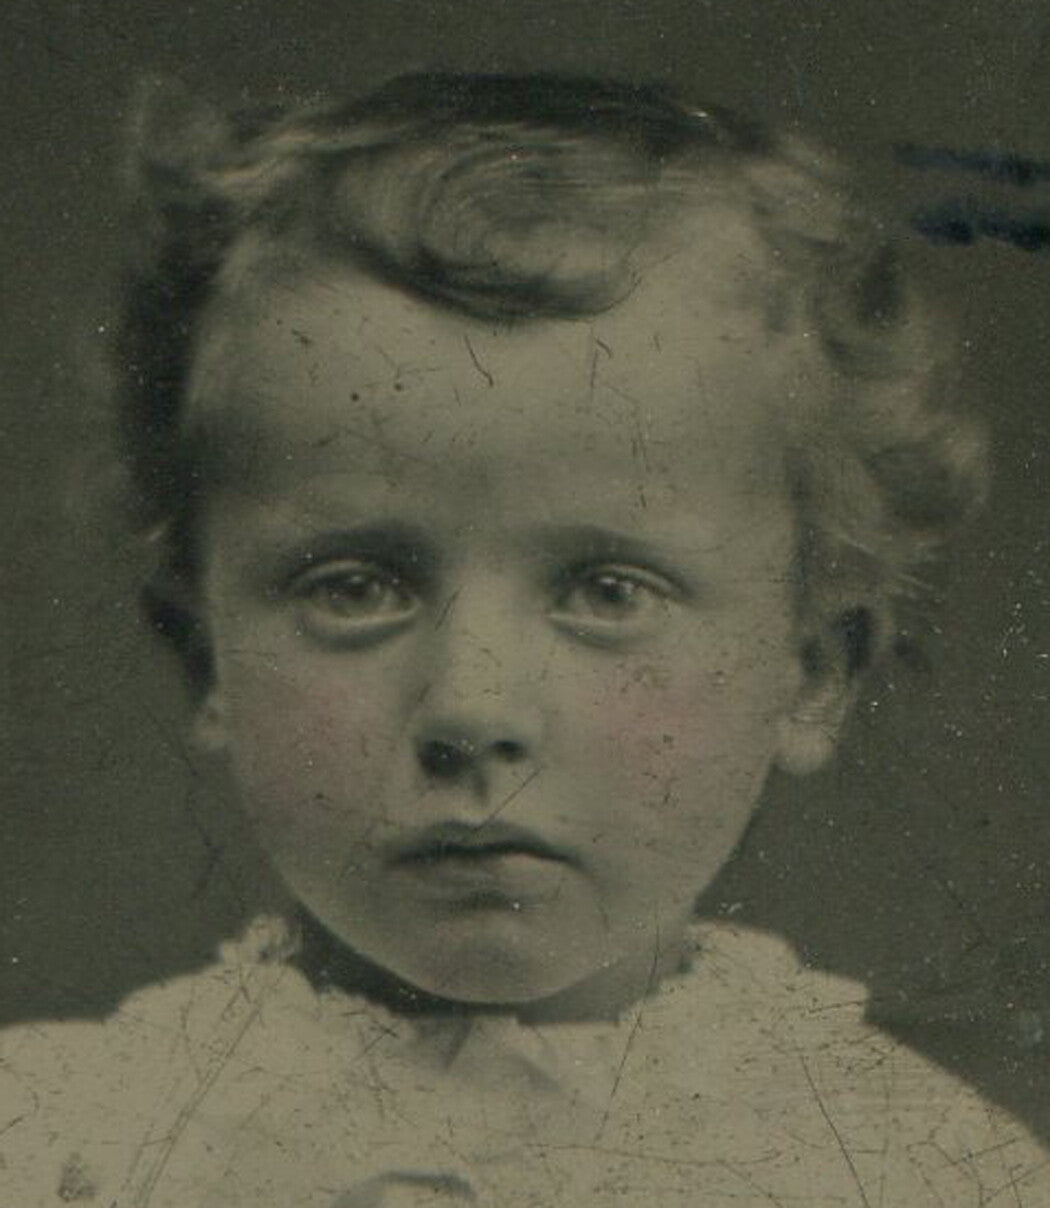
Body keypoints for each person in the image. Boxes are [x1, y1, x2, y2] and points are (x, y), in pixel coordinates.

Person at [2, 72, 1046, 1206]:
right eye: (355, 587)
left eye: (608, 589)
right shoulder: (64, 1140)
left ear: (812, 668)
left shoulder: (918, 1165)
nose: (473, 709)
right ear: (204, 650)